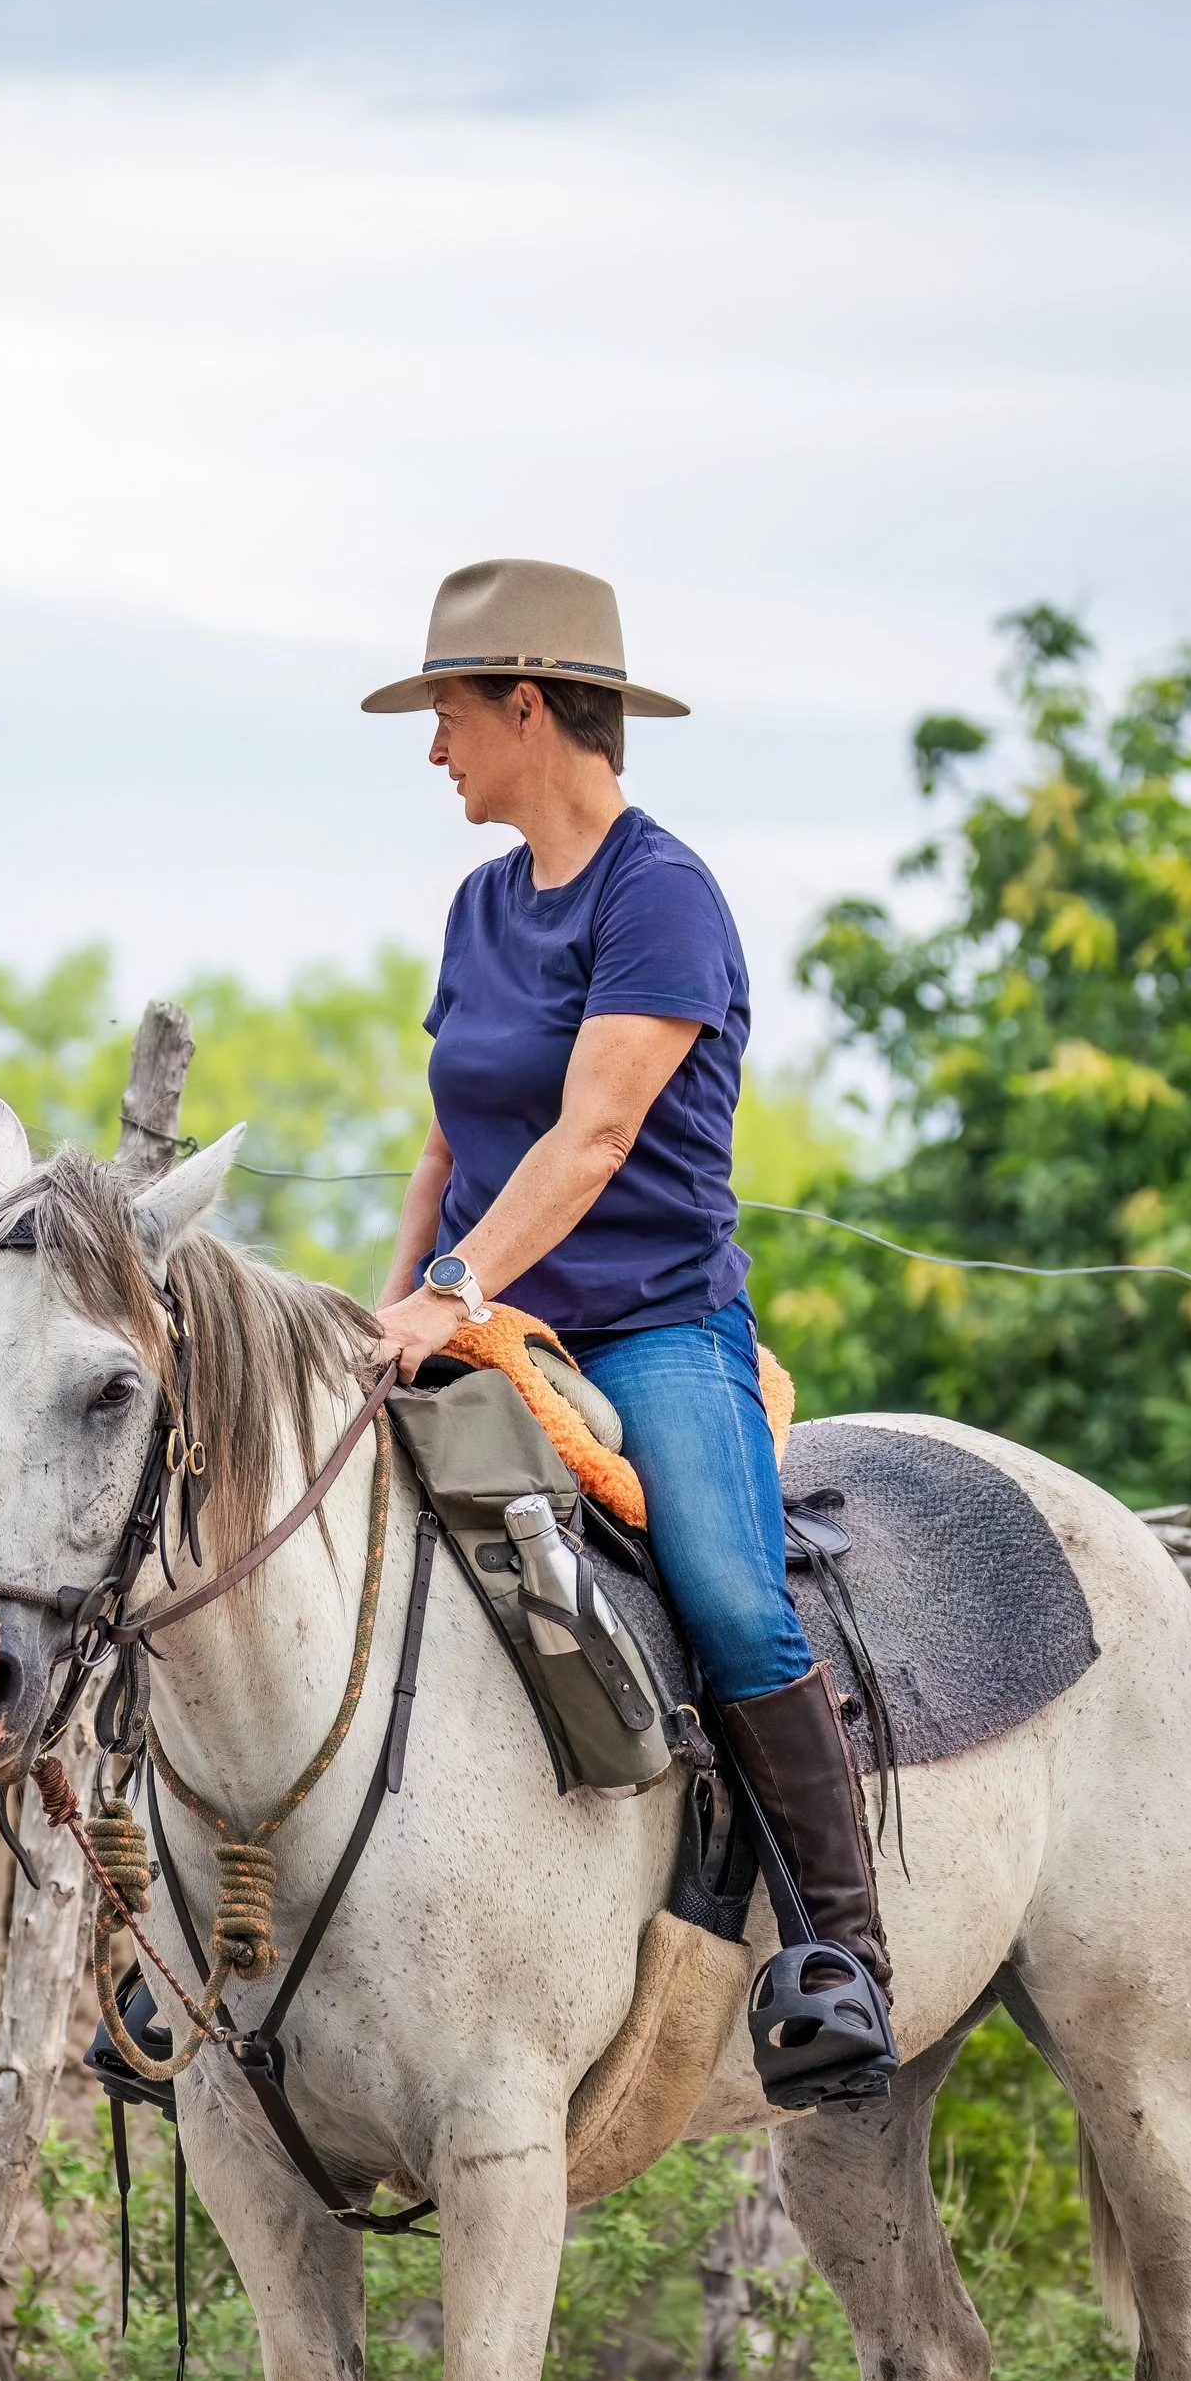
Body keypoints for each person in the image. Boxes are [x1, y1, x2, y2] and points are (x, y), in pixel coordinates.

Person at [364, 555, 894, 2100]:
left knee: (730, 1595)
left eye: (451, 711)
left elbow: (592, 1139)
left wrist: (455, 1292)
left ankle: (844, 1961)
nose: (435, 746)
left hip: (654, 1327)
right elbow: (450, 1142)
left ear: (528, 706)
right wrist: (392, 1308)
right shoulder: (478, 905)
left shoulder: (661, 896)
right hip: (487, 1314)